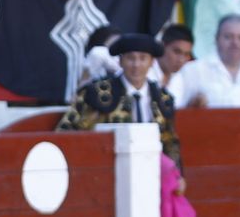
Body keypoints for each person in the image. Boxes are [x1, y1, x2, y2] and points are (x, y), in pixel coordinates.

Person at [57, 33, 181, 165]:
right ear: (120, 61)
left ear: (152, 62)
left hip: (150, 168)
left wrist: (174, 171)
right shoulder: (96, 93)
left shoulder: (163, 99)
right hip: (104, 167)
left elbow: (170, 142)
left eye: (143, 58)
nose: (136, 65)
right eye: (130, 58)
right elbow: (66, 132)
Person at [167, 13, 240, 109]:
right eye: (228, 37)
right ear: (216, 38)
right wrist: (190, 107)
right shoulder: (193, 70)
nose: (235, 43)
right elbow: (171, 109)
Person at [150, 22, 193, 87]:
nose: (181, 60)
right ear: (162, 46)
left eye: (186, 54)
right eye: (177, 52)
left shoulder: (183, 80)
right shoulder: (143, 73)